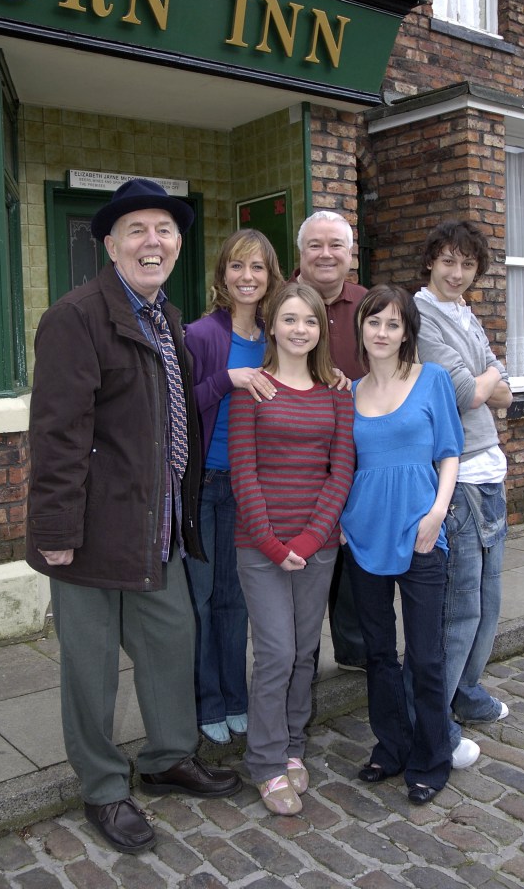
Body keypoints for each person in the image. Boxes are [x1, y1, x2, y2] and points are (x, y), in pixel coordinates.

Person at [26, 179, 241, 856]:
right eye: (138, 230)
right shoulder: (77, 317)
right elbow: (57, 435)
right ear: (111, 244)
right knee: (89, 667)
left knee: (170, 645)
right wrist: (55, 533)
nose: (154, 242)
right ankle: (103, 787)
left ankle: (168, 758)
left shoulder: (166, 317)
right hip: (92, 531)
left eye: (165, 230)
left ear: (178, 245)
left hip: (160, 530)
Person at [229, 283, 355, 815]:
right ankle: (264, 761)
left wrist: (306, 540)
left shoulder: (337, 392)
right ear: (272, 326)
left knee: (305, 651)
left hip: (317, 544)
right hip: (260, 545)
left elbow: (340, 471)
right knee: (276, 653)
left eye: (310, 320)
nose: (300, 329)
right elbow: (243, 473)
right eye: (289, 319)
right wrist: (275, 545)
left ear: (321, 329)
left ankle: (293, 747)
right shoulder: (252, 389)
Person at [341, 284, 463, 805]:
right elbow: (342, 466)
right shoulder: (348, 393)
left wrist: (437, 513)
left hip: (421, 534)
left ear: (406, 330)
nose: (382, 332)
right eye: (374, 323)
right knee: (377, 652)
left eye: (393, 323)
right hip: (363, 535)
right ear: (361, 330)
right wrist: (343, 524)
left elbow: (450, 452)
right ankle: (390, 747)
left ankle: (431, 759)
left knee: (426, 656)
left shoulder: (432, 380)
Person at [415, 220, 513, 770]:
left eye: (468, 265)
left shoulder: (465, 314)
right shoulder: (424, 316)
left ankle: (467, 690)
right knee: (460, 606)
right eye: (448, 261)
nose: (457, 273)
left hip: (490, 470)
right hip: (458, 479)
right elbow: (462, 393)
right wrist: (490, 374)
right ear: (431, 261)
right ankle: (433, 714)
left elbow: (504, 393)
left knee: (490, 600)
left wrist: (490, 376)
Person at [183, 229, 283, 746]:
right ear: (222, 274)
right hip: (202, 486)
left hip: (250, 486)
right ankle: (207, 701)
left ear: (270, 276)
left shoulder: (277, 334)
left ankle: (236, 697)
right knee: (199, 600)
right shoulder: (200, 335)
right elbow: (178, 409)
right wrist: (229, 379)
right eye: (237, 267)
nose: (248, 277)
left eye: (258, 268)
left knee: (235, 599)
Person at [293, 210, 368, 672]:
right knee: (304, 557)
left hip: (359, 455)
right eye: (315, 245)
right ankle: (302, 660)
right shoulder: (277, 302)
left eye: (336, 245)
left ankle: (355, 650)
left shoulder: (369, 305)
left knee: (353, 556)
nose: (326, 254)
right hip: (296, 455)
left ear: (350, 253)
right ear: (300, 253)